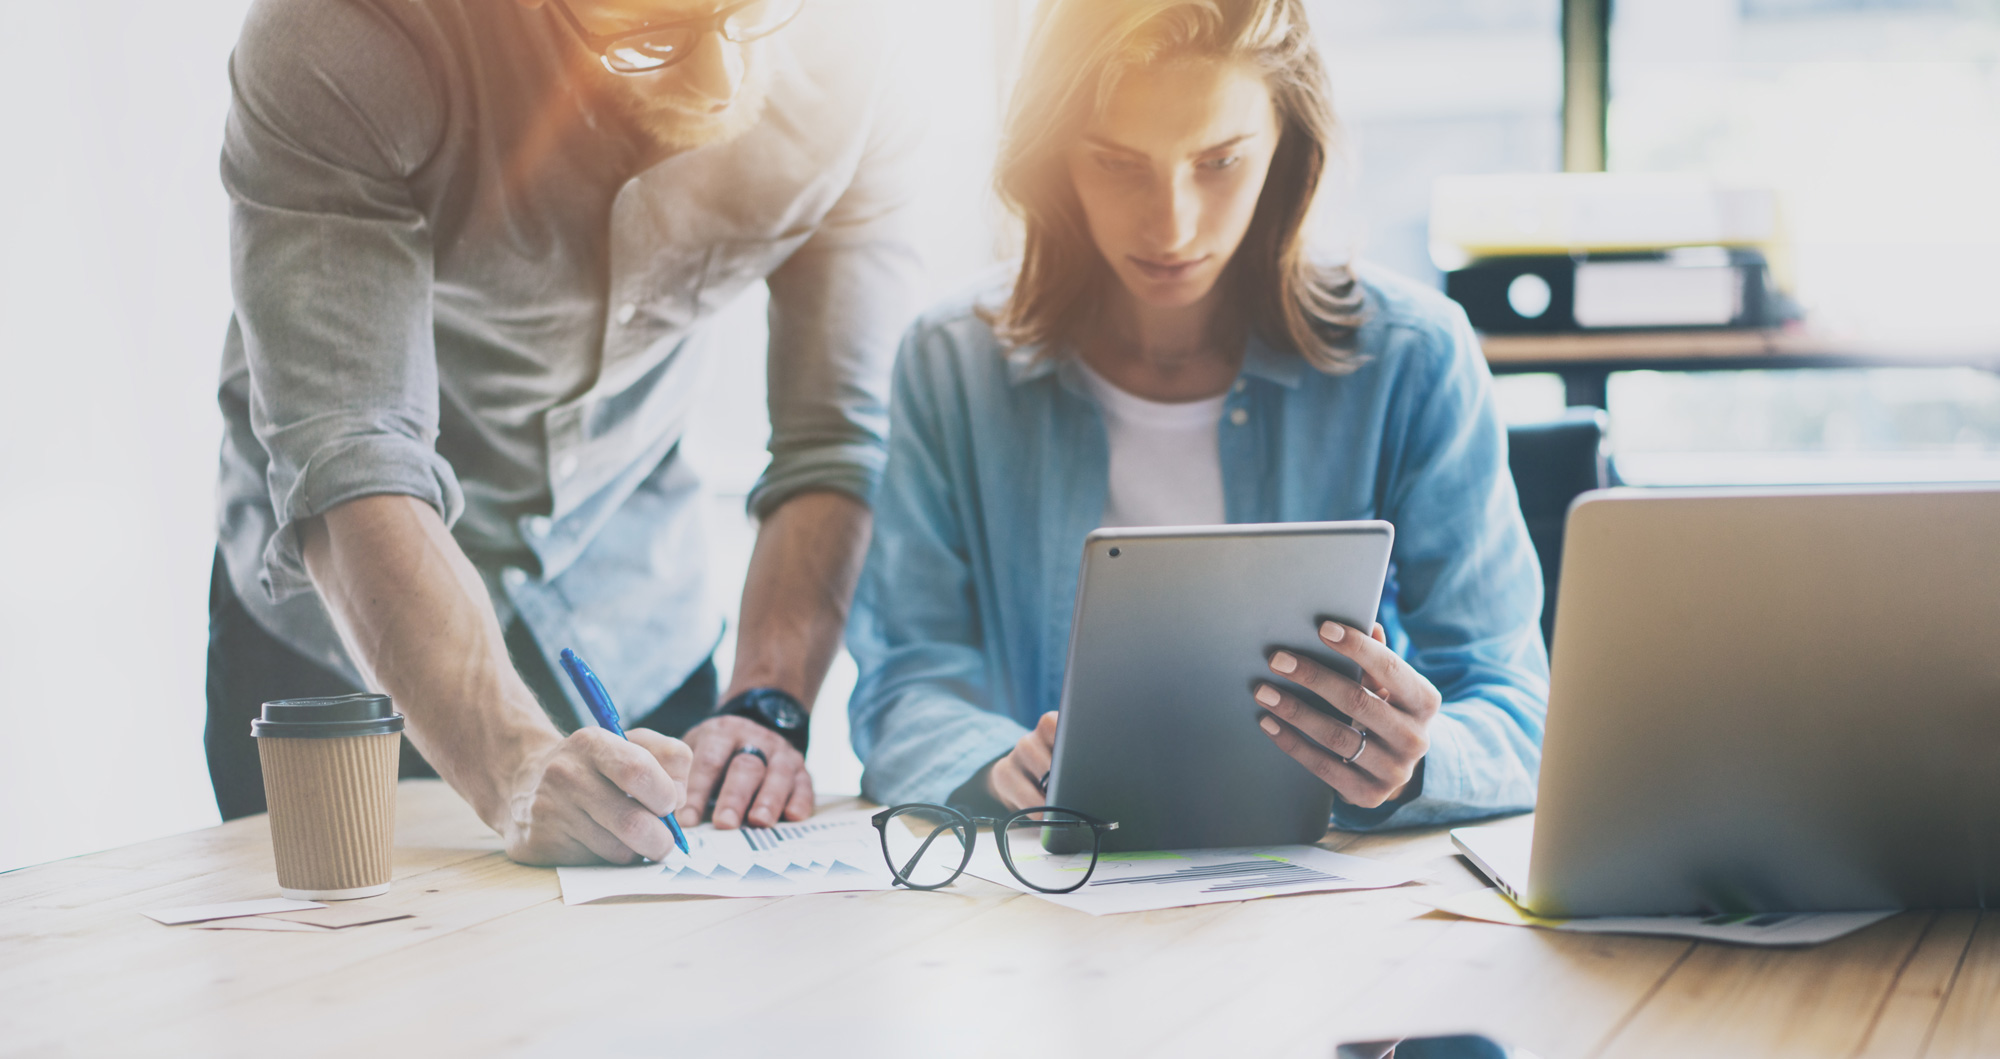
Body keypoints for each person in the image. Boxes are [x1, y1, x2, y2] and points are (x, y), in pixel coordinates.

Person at [208, 0, 920, 865]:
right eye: (650, 35)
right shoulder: (341, 33)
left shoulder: (861, 40)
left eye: (747, 16)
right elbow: (352, 453)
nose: (717, 84)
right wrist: (512, 766)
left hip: (635, 604)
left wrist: (769, 700)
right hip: (346, 628)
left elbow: (834, 435)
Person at [846, 0, 1547, 828]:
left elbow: (1517, 713)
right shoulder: (952, 363)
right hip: (1044, 903)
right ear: (1054, 161)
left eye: (1218, 161)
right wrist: (995, 767)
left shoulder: (1415, 357)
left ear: (1287, 148)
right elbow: (903, 686)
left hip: (1320, 898)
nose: (1170, 225)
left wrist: (1416, 762)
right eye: (1116, 163)